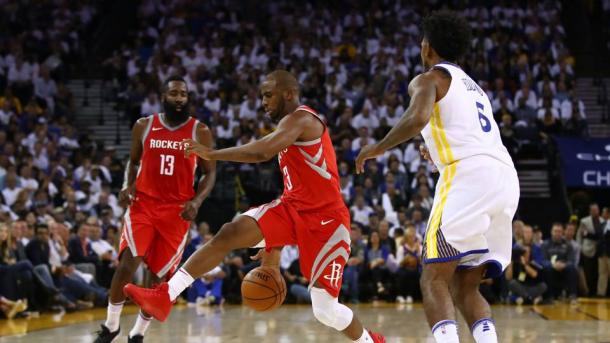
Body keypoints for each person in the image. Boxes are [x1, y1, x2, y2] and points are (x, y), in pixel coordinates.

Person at [124, 70, 385, 343]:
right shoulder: (288, 125)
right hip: (293, 206)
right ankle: (166, 294)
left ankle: (368, 340)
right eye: (261, 96)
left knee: (324, 310)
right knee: (229, 232)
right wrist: (272, 257)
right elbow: (294, 189)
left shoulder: (303, 118)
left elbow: (263, 151)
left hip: (327, 221)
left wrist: (212, 153)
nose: (263, 102)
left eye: (268, 95)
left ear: (288, 94)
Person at [355, 12, 519, 343]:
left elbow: (416, 117)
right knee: (463, 284)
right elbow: (466, 133)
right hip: (504, 178)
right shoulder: (475, 89)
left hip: (469, 176)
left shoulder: (428, 78)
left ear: (427, 48)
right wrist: (439, 152)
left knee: (433, 278)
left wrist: (379, 147)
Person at [94, 75, 217, 343]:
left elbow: (210, 173)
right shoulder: (144, 125)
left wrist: (196, 201)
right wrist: (128, 184)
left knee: (157, 278)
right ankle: (111, 326)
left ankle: (138, 333)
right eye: (174, 93)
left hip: (177, 211)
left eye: (183, 94)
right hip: (145, 205)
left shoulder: (200, 131)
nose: (179, 98)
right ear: (164, 96)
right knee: (127, 264)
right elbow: (133, 162)